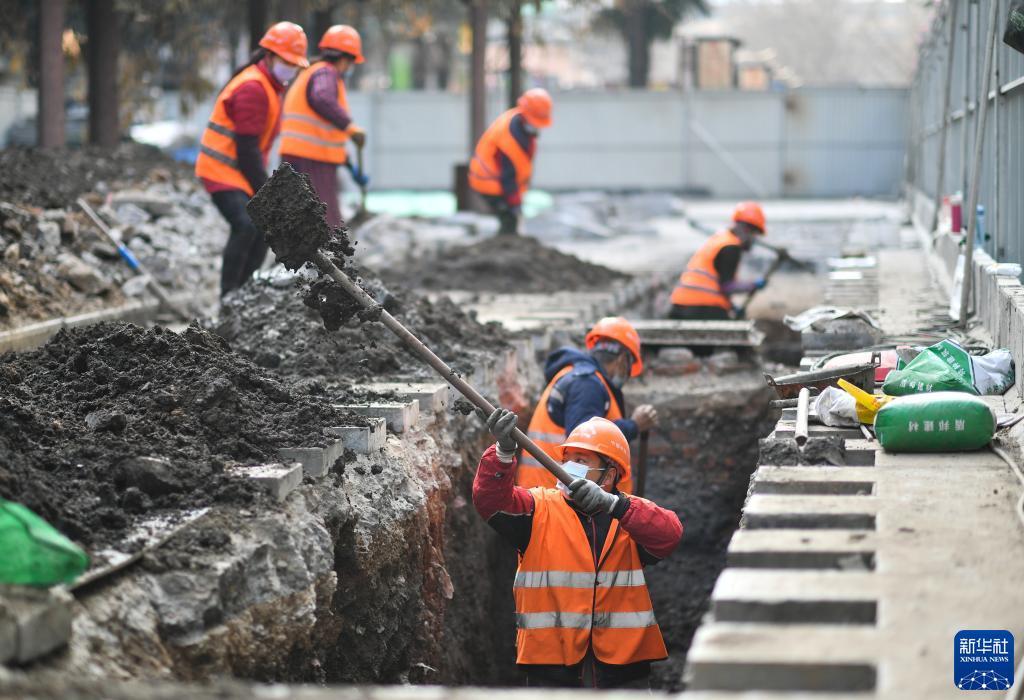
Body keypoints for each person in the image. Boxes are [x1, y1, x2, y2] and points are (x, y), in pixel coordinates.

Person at [474, 411, 683, 688]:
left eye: (581, 461)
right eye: (567, 459)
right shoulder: (539, 509)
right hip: (552, 668)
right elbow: (490, 500)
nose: (568, 467)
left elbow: (670, 533)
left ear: (608, 475)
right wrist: (503, 451)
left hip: (622, 670)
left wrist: (614, 505)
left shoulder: (628, 515)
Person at [195, 21, 309, 298]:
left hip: (234, 172)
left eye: (294, 63)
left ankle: (245, 293)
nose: (290, 68)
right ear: (269, 55)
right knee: (245, 226)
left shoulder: (267, 85)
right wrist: (267, 190)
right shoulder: (254, 88)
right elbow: (247, 149)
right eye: (286, 61)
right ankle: (229, 295)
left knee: (262, 227)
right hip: (221, 170)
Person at [518, 316, 657, 493]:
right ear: (622, 360)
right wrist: (633, 425)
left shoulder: (581, 377)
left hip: (551, 495)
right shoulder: (587, 385)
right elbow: (584, 441)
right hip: (553, 500)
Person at [279, 25, 368, 229]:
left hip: (304, 157)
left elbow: (322, 130)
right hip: (311, 159)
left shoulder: (314, 72)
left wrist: (349, 165)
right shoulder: (326, 74)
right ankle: (323, 261)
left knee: (307, 220)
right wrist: (351, 128)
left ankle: (313, 260)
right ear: (346, 59)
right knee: (324, 223)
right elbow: (322, 99)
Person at [468, 88, 553, 235]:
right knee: (509, 219)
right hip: (490, 182)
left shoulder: (518, 121)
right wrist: (514, 203)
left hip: (497, 180)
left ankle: (507, 244)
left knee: (509, 220)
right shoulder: (511, 140)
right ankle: (505, 248)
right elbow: (508, 175)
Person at [668, 201, 768, 320]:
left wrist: (730, 307)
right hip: (703, 308)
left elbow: (710, 284)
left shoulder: (718, 240)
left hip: (679, 306)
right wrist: (753, 285)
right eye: (754, 235)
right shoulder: (731, 247)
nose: (754, 240)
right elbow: (727, 286)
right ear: (747, 230)